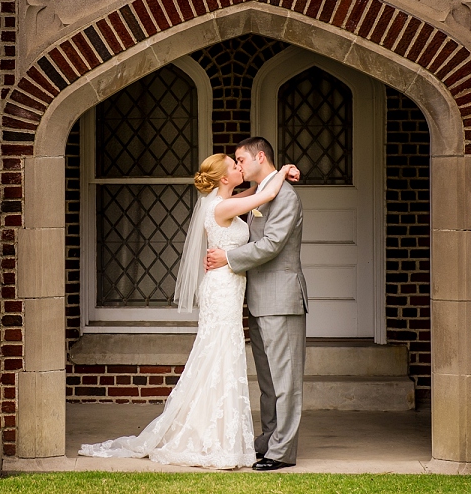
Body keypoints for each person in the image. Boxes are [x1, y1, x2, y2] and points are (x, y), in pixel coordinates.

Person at [78, 152, 297, 469]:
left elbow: (254, 193)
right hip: (222, 290)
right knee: (220, 356)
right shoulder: (222, 207)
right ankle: (211, 439)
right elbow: (268, 193)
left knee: (218, 356)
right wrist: (284, 169)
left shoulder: (223, 201)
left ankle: (216, 432)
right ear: (224, 178)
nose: (240, 168)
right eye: (235, 166)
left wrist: (266, 181)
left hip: (225, 287)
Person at [206, 136, 308, 472]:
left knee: (285, 381)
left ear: (258, 157)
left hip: (281, 299)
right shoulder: (263, 191)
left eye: (240, 159)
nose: (238, 166)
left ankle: (282, 451)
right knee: (267, 381)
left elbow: (272, 244)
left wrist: (227, 258)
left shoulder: (286, 197)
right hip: (257, 299)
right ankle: (267, 441)